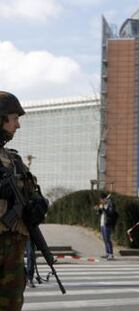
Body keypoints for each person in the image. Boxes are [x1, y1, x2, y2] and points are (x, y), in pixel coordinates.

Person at [0, 91, 29, 310]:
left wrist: (38, 205)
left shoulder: (12, 159)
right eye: (14, 118)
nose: (17, 125)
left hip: (14, 252)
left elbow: (29, 193)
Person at [95, 193, 117, 260]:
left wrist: (104, 208)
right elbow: (100, 214)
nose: (101, 201)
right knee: (104, 240)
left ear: (105, 199)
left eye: (102, 199)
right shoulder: (103, 205)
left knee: (108, 239)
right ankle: (107, 253)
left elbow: (110, 213)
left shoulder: (110, 205)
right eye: (100, 200)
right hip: (102, 224)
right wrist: (98, 209)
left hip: (107, 224)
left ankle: (111, 254)